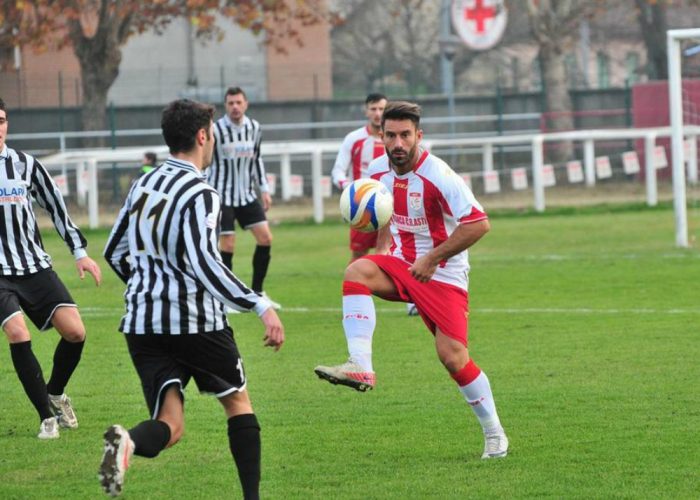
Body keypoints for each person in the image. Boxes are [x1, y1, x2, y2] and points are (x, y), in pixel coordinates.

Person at [101, 99, 285, 498]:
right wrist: (259, 304)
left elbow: (114, 251)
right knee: (238, 402)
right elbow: (204, 263)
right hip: (195, 322)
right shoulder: (202, 192)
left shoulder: (143, 183)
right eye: (212, 132)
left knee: (172, 424)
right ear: (203, 136)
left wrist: (149, 285)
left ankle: (128, 443)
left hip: (142, 324)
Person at [314, 101, 509, 460]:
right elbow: (384, 210)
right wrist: (383, 247)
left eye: (406, 135)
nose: (398, 143)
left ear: (419, 136)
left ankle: (494, 432)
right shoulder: (376, 170)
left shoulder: (440, 175)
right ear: (381, 136)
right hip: (403, 265)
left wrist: (434, 258)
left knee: (453, 357)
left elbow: (479, 223)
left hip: (444, 274)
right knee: (356, 271)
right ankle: (361, 365)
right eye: (391, 135)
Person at [0, 97, 102, 439]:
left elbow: (57, 208)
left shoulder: (25, 165)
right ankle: (47, 419)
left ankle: (55, 391)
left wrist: (80, 253)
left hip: (33, 265)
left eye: (1, 120)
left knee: (75, 333)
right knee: (17, 332)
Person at [332, 93, 418, 316]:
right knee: (359, 256)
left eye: (381, 109)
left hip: (393, 208)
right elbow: (338, 171)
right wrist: (352, 192)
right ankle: (356, 301)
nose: (377, 113)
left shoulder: (397, 139)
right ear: (366, 111)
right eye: (373, 109)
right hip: (362, 209)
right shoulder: (354, 139)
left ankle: (413, 301)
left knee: (400, 251)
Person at [207, 87, 280, 310]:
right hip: (222, 195)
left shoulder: (254, 128)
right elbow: (207, 160)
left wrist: (264, 189)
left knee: (265, 238)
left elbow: (257, 160)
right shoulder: (216, 130)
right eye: (230, 103)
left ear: (246, 104)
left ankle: (258, 292)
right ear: (225, 106)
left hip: (247, 195)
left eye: (239, 102)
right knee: (228, 244)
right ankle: (227, 297)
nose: (235, 107)